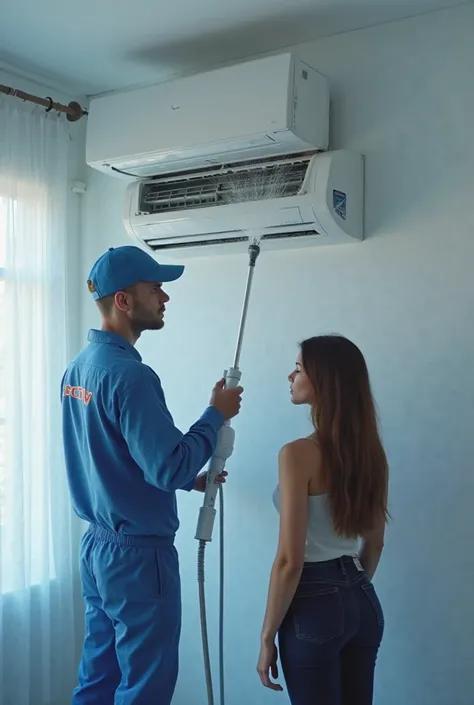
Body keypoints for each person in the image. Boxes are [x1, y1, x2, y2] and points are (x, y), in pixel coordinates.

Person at [61, 245, 243, 705]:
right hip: (138, 558)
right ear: (124, 301)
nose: (165, 298)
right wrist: (214, 416)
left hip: (98, 548)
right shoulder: (131, 377)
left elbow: (116, 454)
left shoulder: (79, 369)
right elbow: (166, 466)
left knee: (99, 675)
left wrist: (190, 480)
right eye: (155, 288)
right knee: (145, 684)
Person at [257, 335, 389, 705]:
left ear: (324, 380)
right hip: (363, 599)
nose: (290, 376)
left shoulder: (298, 454)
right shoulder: (371, 454)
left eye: (298, 369)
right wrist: (348, 593)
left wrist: (267, 637)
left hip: (312, 602)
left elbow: (289, 560)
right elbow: (375, 542)